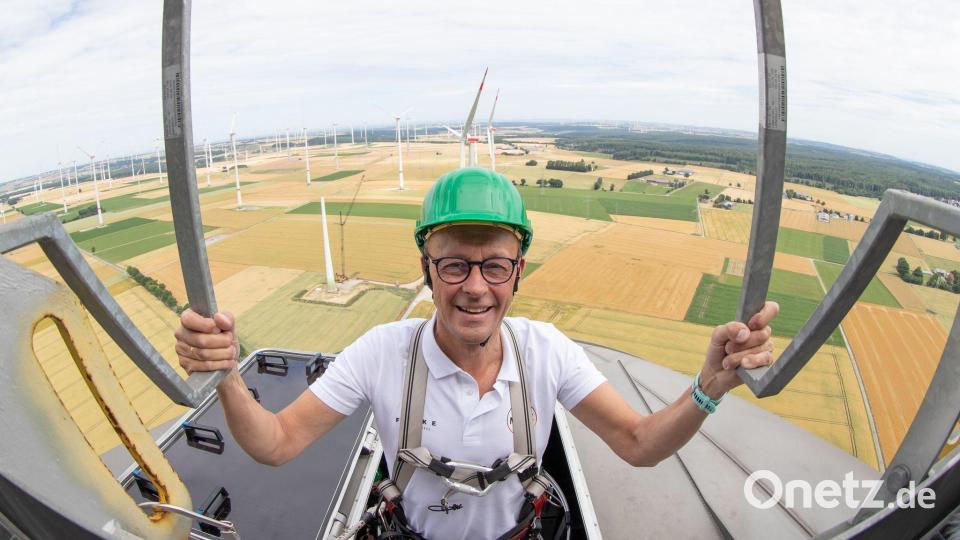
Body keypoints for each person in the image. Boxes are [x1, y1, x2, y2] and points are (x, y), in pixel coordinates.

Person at [175, 167, 779, 540]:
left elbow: (640, 444)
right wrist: (225, 375)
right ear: (427, 271)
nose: (474, 286)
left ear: (518, 272)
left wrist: (708, 386)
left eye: (494, 265)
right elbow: (274, 444)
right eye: (454, 264)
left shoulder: (546, 352)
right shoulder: (383, 352)